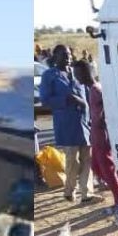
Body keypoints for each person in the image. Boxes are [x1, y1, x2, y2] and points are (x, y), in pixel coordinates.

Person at [38, 45, 91, 204]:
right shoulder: (49, 75)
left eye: (69, 54)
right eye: (64, 55)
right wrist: (66, 99)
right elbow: (45, 100)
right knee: (72, 160)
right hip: (66, 123)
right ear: (55, 57)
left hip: (84, 121)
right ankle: (69, 190)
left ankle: (86, 193)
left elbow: (86, 94)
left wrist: (89, 112)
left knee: (87, 158)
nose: (68, 58)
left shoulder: (76, 72)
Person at [71, 60, 118, 208]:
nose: (76, 77)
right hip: (94, 131)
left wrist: (102, 120)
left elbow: (110, 105)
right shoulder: (90, 89)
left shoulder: (96, 89)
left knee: (107, 168)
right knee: (96, 167)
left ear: (86, 73)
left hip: (101, 133)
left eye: (78, 74)